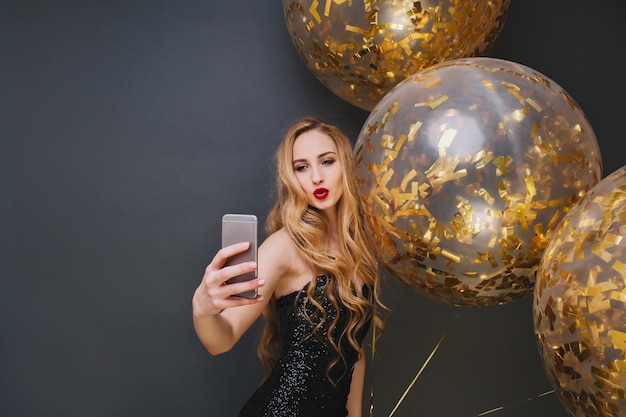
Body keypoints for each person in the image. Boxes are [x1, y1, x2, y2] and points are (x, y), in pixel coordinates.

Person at [192, 116, 387, 417]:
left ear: (346, 165)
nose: (316, 178)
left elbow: (353, 352)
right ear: (291, 177)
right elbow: (222, 339)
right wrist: (202, 308)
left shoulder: (361, 250)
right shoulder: (285, 246)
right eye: (302, 167)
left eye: (327, 161)